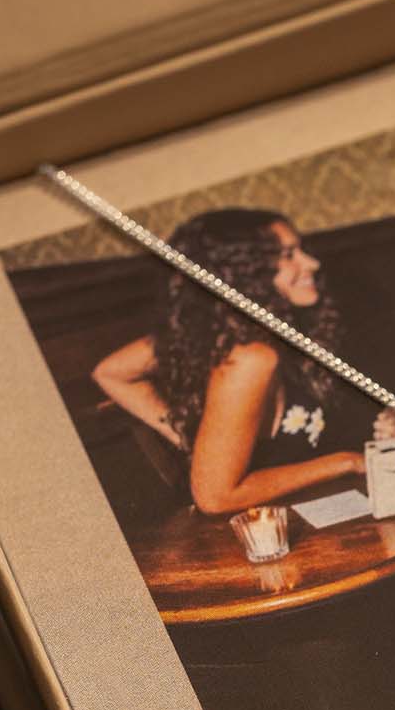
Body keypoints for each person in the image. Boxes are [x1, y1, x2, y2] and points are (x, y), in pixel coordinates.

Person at [91, 208, 364, 515]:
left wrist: (197, 442)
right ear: (246, 271)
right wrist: (346, 462)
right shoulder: (250, 358)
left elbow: (110, 371)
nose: (311, 263)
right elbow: (215, 498)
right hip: (241, 539)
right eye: (288, 255)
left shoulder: (226, 332)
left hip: (282, 520)